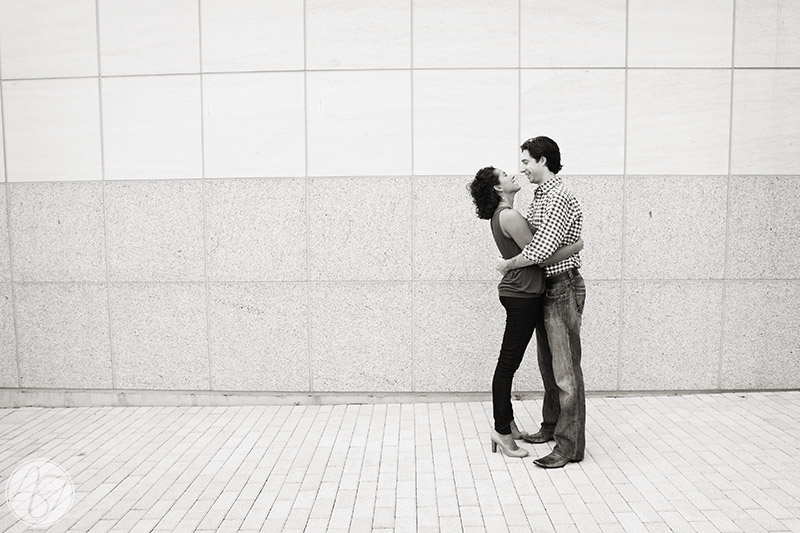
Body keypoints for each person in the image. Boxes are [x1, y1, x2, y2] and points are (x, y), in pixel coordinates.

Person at [469, 166, 583, 459]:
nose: (512, 176)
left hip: (522, 294)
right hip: (521, 296)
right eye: (505, 175)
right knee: (508, 364)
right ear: (498, 188)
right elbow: (539, 256)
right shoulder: (509, 216)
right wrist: (575, 247)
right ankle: (502, 431)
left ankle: (507, 424)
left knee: (510, 362)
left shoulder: (505, 215)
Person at [496, 136, 585, 469]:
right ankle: (550, 428)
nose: (522, 169)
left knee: (566, 374)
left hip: (563, 287)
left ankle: (569, 446)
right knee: (550, 370)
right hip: (548, 289)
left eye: (526, 162)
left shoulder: (557, 196)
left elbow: (540, 250)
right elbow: (538, 241)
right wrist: (572, 247)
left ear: (543, 161)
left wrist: (508, 264)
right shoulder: (539, 195)